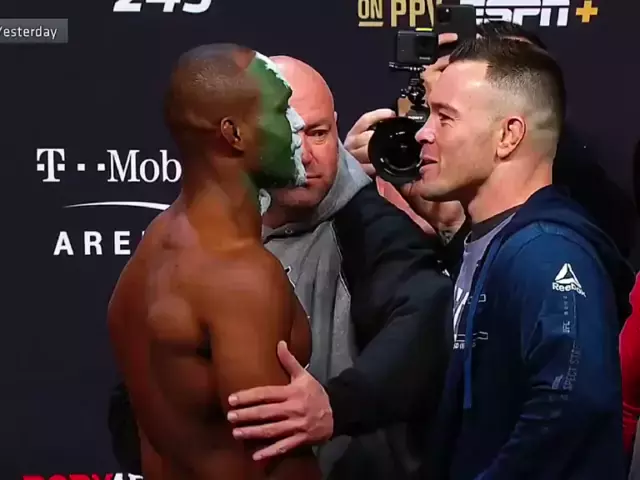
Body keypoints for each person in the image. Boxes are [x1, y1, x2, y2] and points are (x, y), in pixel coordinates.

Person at [109, 55, 453, 479]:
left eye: (318, 133)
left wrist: (338, 404)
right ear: (237, 135)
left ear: (337, 129)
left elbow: (424, 316)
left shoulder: (369, 229)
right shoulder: (176, 242)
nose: (303, 153)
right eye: (288, 129)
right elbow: (147, 392)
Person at [411, 37, 633, 478]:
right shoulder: (497, 241)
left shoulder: (546, 251)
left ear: (508, 136)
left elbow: (575, 400)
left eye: (444, 116)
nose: (422, 132)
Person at [107, 43, 321, 480]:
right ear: (233, 133)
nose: (298, 125)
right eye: (282, 110)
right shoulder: (240, 273)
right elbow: (276, 458)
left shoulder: (154, 246)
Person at [347, 21, 637, 263]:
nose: (426, 135)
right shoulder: (404, 144)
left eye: (447, 115)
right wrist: (346, 182)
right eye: (435, 112)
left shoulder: (553, 243)